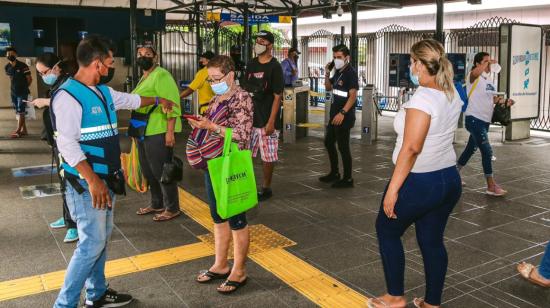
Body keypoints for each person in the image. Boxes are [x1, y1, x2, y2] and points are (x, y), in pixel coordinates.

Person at [51, 35, 174, 308]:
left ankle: (96, 294)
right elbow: (67, 144)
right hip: (87, 185)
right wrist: (93, 181)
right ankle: (64, 304)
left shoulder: (103, 92)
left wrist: (159, 99)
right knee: (90, 244)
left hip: (107, 181)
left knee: (100, 242)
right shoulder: (68, 96)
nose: (109, 68)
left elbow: (132, 100)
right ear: (96, 64)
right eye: (108, 63)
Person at [369, 39, 463, 308]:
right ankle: (432, 302)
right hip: (448, 178)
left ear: (421, 65)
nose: (410, 67)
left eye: (412, 62)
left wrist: (393, 190)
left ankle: (395, 297)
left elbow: (411, 148)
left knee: (386, 230)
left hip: (420, 181)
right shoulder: (451, 92)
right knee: (431, 240)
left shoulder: (423, 99)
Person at [185, 55, 253, 294]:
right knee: (217, 217)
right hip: (214, 164)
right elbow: (215, 125)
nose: (213, 83)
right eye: (210, 79)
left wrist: (211, 127)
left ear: (231, 75)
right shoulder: (218, 97)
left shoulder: (241, 98)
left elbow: (242, 134)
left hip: (229, 166)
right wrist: (201, 122)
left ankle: (239, 270)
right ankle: (221, 264)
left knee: (236, 220)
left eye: (216, 78)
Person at [132, 45, 182, 222]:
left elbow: (172, 103)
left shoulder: (161, 75)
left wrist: (170, 132)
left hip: (158, 129)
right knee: (148, 169)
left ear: (156, 57)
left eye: (147, 54)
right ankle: (156, 202)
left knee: (162, 169)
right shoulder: (144, 77)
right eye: (140, 54)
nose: (143, 57)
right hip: (143, 129)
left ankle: (172, 207)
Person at [32, 52, 79, 243]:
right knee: (63, 180)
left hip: (68, 142)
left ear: (56, 68)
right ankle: (68, 215)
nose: (44, 77)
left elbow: (70, 103)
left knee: (70, 181)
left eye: (44, 72)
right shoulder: (56, 84)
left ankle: (74, 223)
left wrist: (45, 102)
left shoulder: (69, 84)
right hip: (58, 140)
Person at [456, 52, 513, 196]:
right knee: (487, 151)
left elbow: (492, 100)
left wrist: (505, 102)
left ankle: (454, 174)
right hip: (473, 119)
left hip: (485, 120)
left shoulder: (489, 80)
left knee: (470, 149)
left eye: (490, 61)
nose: (490, 64)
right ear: (477, 64)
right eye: (486, 61)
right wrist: (486, 64)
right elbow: (476, 72)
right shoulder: (472, 77)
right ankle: (491, 185)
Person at [243, 30, 284, 201]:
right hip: (250, 118)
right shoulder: (251, 64)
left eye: (261, 41)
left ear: (270, 46)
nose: (257, 44)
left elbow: (277, 96)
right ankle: (247, 184)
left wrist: (271, 122)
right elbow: (245, 87)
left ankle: (266, 187)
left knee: (268, 156)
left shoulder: (275, 67)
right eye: (257, 41)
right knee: (246, 154)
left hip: (267, 119)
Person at [319, 44, 358, 188]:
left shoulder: (350, 73)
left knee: (343, 147)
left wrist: (343, 112)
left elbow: (353, 96)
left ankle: (348, 179)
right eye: (334, 57)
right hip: (334, 115)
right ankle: (334, 173)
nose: (336, 60)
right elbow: (329, 88)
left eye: (339, 57)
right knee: (328, 142)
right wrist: (327, 74)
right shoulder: (339, 72)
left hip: (343, 116)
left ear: (347, 57)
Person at [4, 47, 32, 138]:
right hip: (13, 92)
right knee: (18, 111)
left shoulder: (23, 65)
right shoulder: (7, 67)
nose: (10, 56)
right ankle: (24, 130)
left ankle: (18, 130)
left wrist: (24, 88)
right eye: (8, 54)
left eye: (12, 54)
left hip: (22, 92)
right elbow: (11, 78)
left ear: (16, 55)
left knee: (21, 111)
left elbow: (29, 79)